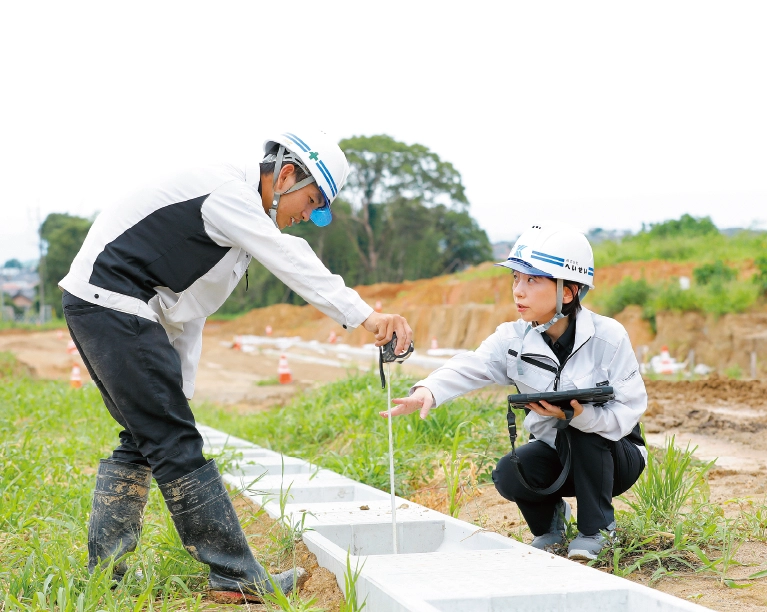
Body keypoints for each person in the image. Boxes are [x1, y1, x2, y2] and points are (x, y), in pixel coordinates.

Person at [59, 129, 413, 603]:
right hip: (111, 304)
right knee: (172, 442)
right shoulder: (231, 196)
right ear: (285, 175)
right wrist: (365, 316)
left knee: (146, 437)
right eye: (311, 202)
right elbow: (292, 260)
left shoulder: (239, 220)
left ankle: (106, 576)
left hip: (110, 307)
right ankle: (234, 577)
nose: (308, 216)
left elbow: (188, 309)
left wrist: (179, 389)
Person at [383, 224, 646, 560]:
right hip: (556, 452)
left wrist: (579, 414)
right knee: (510, 471)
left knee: (583, 432)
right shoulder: (513, 340)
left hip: (616, 455)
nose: (518, 291)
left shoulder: (609, 337)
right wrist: (428, 391)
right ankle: (553, 525)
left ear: (568, 292)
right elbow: (471, 365)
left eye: (532, 280)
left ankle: (598, 531)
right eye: (516, 279)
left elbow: (630, 409)